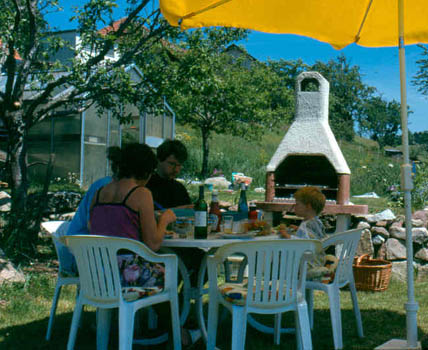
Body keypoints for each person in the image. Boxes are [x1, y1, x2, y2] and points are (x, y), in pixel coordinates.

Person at [279, 186, 337, 281]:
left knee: (279, 259)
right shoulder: (316, 222)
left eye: (297, 204)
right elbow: (315, 238)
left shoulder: (305, 226)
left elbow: (303, 244)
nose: (294, 207)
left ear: (308, 206)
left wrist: (287, 236)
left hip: (307, 266)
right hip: (318, 261)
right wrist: (298, 229)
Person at [146, 139, 192, 209]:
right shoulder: (146, 186)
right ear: (159, 160)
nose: (176, 169)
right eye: (172, 164)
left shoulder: (180, 189)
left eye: (179, 165)